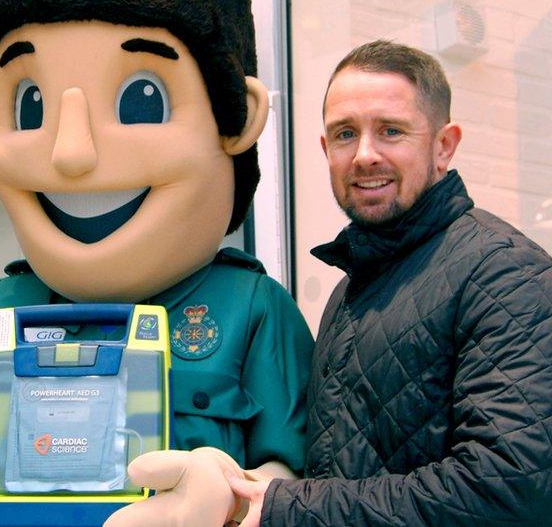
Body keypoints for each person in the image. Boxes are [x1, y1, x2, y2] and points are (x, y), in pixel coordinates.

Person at [0, 0, 315, 525]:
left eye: (144, 101)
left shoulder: (253, 308)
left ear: (239, 117)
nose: (72, 153)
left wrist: (237, 498)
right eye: (30, 106)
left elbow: (300, 473)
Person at [227, 40, 552, 525]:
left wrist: (286, 509)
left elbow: (508, 487)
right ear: (325, 150)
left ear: (444, 146)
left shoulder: (505, 274)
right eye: (344, 134)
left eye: (391, 131)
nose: (363, 155)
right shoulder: (352, 289)